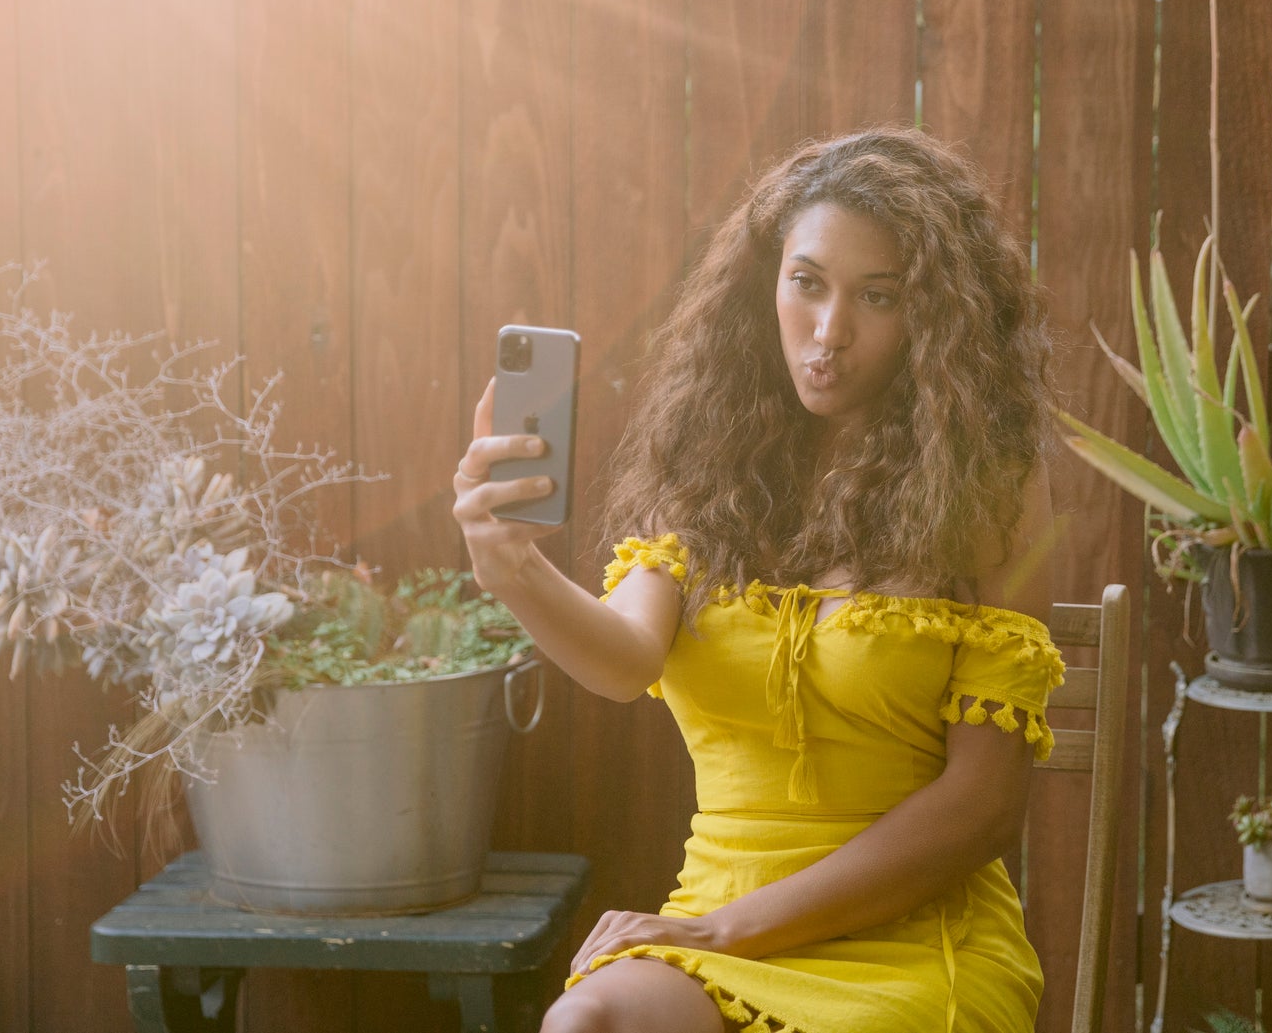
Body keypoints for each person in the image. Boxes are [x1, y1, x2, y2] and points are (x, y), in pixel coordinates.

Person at [452, 127, 1064, 1033]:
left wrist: (727, 928)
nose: (828, 332)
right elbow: (623, 660)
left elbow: (982, 808)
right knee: (586, 1022)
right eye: (806, 283)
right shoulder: (708, 459)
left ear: (934, 314)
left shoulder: (991, 483)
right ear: (764, 284)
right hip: (717, 919)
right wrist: (514, 568)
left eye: (879, 297)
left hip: (912, 938)